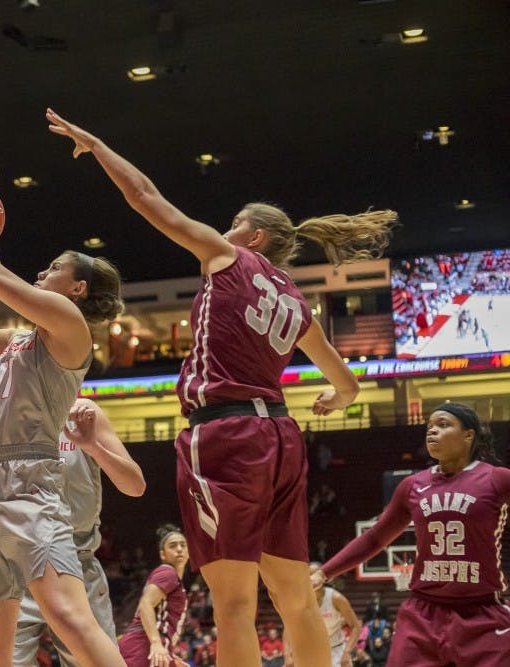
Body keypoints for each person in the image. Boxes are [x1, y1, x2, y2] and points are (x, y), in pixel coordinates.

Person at [47, 108, 395, 667]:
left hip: (226, 434)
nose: (223, 227)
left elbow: (145, 196)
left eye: (233, 221)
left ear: (253, 235)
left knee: (233, 603)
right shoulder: (296, 300)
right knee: (296, 600)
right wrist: (338, 399)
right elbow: (347, 382)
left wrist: (98, 146)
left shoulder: (228, 256)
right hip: (282, 435)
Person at [0, 175, 126, 666]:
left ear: (77, 288)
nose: (43, 270)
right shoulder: (19, 341)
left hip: (29, 479)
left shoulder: (69, 326)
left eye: (55, 267)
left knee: (70, 618)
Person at [312, 403, 510, 666]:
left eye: (443, 425)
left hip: (482, 614)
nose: (432, 432)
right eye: (429, 427)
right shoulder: (413, 486)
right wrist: (325, 572)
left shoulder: (497, 479)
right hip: (423, 615)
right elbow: (375, 538)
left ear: (468, 435)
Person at [14, 398, 146, 666]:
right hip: (19, 566)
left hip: (77, 560)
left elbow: (135, 485)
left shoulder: (82, 411)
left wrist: (92, 447)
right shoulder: (10, 412)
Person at [116, 528, 190, 667]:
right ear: (163, 554)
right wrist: (156, 642)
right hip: (142, 644)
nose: (179, 549)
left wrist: (169, 653)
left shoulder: (173, 580)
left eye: (183, 545)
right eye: (173, 545)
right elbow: (145, 604)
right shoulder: (168, 572)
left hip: (148, 644)